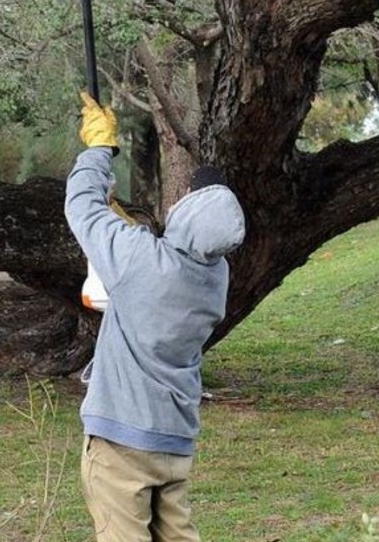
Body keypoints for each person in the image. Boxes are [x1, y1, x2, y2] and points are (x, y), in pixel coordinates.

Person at [64, 93, 246, 542]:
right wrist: (119, 221)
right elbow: (158, 251)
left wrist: (98, 149)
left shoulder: (143, 262)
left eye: (189, 195)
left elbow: (80, 207)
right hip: (173, 441)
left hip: (123, 442)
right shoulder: (213, 276)